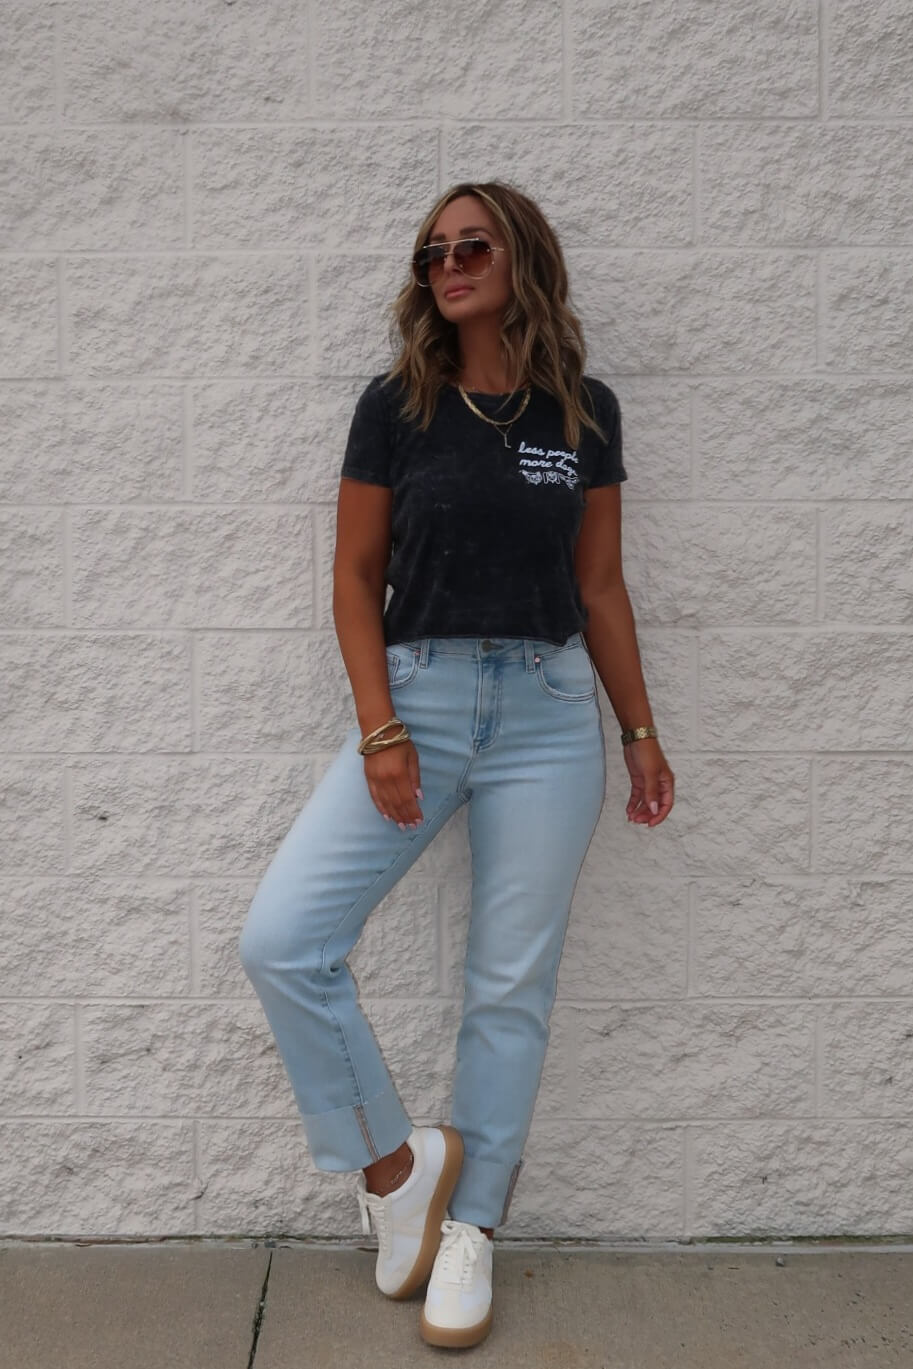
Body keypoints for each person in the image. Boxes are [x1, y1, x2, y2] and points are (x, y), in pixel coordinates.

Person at [238, 179, 675, 1349]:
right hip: (420, 698)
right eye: (433, 250)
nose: (448, 263)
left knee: (506, 987)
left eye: (472, 244)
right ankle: (396, 1170)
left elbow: (597, 586)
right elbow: (353, 577)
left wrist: (637, 728)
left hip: (545, 713)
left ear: (520, 258)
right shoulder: (397, 406)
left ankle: (472, 1227)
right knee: (284, 939)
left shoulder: (584, 414)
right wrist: (382, 729)